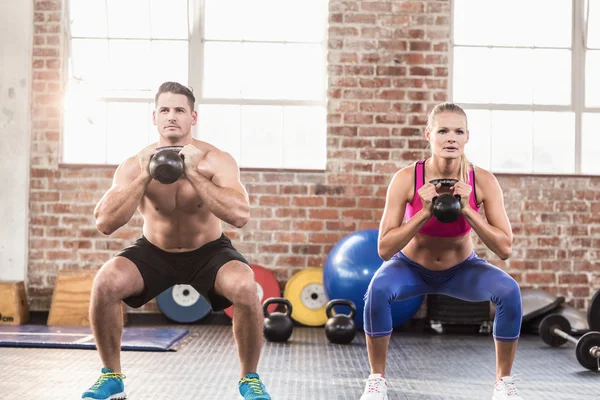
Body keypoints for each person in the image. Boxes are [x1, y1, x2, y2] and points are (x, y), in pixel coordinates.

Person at [81, 82, 271, 400]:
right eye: (165, 110)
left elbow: (240, 215)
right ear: (154, 117)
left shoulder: (215, 160)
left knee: (246, 287)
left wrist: (194, 173)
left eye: (180, 110)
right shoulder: (134, 164)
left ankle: (249, 379)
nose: (172, 117)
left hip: (208, 251)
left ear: (193, 117)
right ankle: (112, 376)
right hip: (154, 251)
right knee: (106, 283)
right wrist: (144, 175)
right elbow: (105, 223)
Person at [359, 102, 523, 400]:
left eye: (458, 131)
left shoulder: (482, 180)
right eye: (443, 131)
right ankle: (376, 380)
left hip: (461, 270)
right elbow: (384, 248)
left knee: (509, 291)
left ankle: (504, 383)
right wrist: (422, 212)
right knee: (377, 291)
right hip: (410, 268)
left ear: (467, 137)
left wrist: (469, 209)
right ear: (428, 135)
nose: (451, 138)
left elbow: (504, 248)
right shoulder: (407, 178)